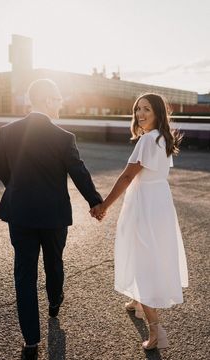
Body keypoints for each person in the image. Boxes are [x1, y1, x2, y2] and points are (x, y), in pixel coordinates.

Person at [0, 79, 103, 360]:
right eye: (57, 98)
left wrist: (20, 190)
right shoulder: (63, 137)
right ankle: (55, 301)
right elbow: (79, 173)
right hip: (54, 215)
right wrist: (95, 202)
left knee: (24, 274)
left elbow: (3, 171)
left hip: (19, 212)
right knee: (54, 262)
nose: (60, 103)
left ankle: (31, 342)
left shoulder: (7, 132)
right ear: (45, 99)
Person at [91, 93, 188, 350]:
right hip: (159, 202)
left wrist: (104, 206)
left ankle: (155, 331)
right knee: (146, 250)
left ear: (158, 112)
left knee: (143, 258)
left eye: (146, 109)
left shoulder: (146, 140)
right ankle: (136, 300)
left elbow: (126, 177)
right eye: (137, 110)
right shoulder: (163, 138)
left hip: (145, 203)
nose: (140, 114)